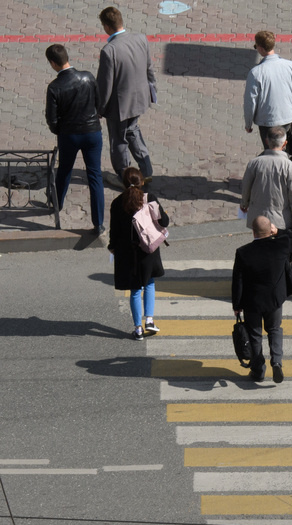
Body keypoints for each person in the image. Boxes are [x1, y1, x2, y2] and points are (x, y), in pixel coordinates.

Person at [232, 216, 292, 383]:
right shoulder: (281, 245)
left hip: (252, 302)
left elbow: (238, 281)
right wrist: (278, 231)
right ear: (270, 230)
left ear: (253, 232)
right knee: (274, 329)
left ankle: (258, 370)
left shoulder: (243, 252)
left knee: (254, 334)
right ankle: (277, 362)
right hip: (275, 299)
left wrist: (237, 305)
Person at [43, 44, 105, 236]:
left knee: (64, 171)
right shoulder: (88, 76)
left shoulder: (54, 87)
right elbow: (99, 103)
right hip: (92, 133)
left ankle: (57, 204)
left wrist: (59, 131)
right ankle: (99, 223)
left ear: (53, 63)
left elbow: (51, 119)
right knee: (95, 176)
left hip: (69, 135)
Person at [108, 166, 167, 341]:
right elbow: (164, 221)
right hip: (148, 249)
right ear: (141, 182)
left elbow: (114, 231)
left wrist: (112, 247)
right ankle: (149, 319)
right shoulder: (150, 198)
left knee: (135, 290)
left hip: (127, 252)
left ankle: (138, 329)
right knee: (149, 282)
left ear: (123, 183)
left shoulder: (117, 203)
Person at [96, 6, 155, 181]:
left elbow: (105, 85)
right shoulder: (141, 39)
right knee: (133, 130)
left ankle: (124, 176)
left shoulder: (109, 51)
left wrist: (100, 108)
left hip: (119, 106)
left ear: (107, 27)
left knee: (118, 140)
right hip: (139, 100)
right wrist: (152, 91)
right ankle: (147, 170)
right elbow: (149, 68)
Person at [244, 31, 292, 147]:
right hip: (287, 118)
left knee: (271, 151)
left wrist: (248, 124)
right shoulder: (290, 66)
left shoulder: (256, 72)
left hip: (267, 121)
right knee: (284, 148)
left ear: (260, 48)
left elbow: (250, 101)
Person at [241, 126, 292, 232]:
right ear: (285, 144)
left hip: (258, 219)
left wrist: (244, 203)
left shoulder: (254, 163)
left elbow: (246, 186)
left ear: (266, 141)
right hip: (281, 221)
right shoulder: (290, 167)